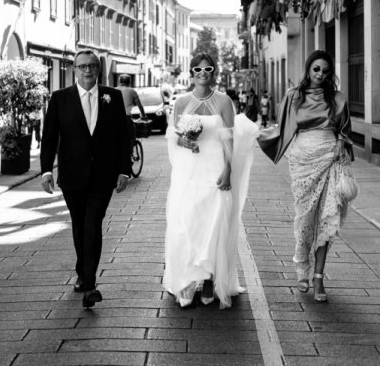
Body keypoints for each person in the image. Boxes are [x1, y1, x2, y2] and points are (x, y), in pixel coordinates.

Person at [256, 50, 354, 303]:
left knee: (326, 220)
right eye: (316, 69)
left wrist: (341, 143)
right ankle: (302, 266)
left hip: (330, 158)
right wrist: (253, 135)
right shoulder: (293, 96)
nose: (320, 74)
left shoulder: (338, 99)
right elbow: (282, 127)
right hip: (302, 162)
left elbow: (344, 129)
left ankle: (319, 278)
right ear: (308, 69)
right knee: (305, 217)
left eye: (325, 70)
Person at [164, 53, 258, 308]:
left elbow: (229, 139)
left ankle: (209, 280)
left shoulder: (225, 102)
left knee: (214, 223)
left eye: (208, 68)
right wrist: (182, 140)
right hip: (188, 170)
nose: (203, 72)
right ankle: (186, 279)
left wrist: (228, 170)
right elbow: (173, 135)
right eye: (197, 68)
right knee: (186, 224)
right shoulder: (182, 102)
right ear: (191, 72)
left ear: (214, 72)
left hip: (215, 166)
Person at [40, 50, 131, 309]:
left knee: (93, 223)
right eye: (82, 67)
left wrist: (124, 169)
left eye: (92, 66)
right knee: (79, 225)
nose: (87, 70)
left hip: (103, 176)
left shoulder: (112, 97)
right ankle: (82, 270)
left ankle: (90, 285)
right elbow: (50, 137)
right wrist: (47, 170)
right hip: (71, 175)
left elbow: (122, 137)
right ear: (74, 70)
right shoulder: (60, 99)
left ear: (98, 69)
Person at [117, 74, 147, 156]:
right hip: (126, 118)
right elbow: (139, 105)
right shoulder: (132, 91)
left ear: (119, 81)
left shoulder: (114, 90)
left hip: (115, 118)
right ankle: (129, 153)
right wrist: (143, 115)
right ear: (129, 82)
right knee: (131, 136)